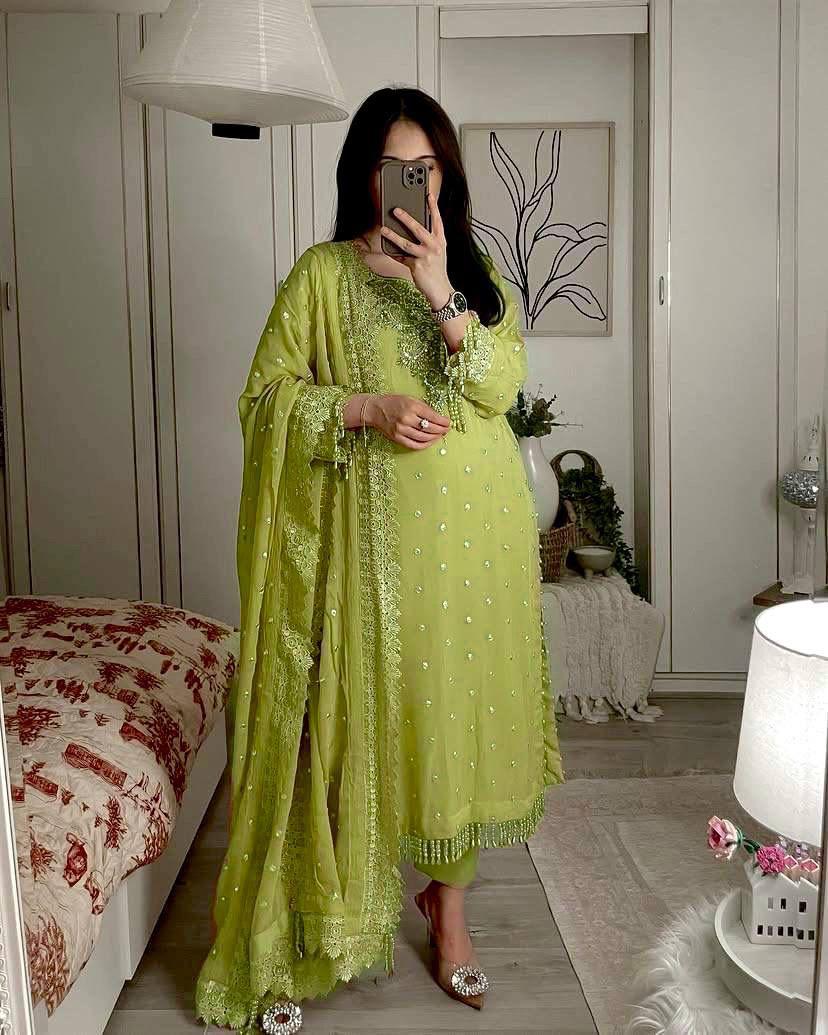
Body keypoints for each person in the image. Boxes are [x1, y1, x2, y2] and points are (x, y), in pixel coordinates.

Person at [195, 85, 565, 1034]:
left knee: (453, 722)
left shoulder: (472, 270)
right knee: (357, 724)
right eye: (396, 167)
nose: (414, 184)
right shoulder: (322, 276)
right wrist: (363, 408)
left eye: (427, 168)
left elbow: (500, 386)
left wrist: (442, 287)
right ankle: (321, 915)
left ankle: (450, 908)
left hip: (478, 551)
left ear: (447, 176)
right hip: (367, 561)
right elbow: (263, 399)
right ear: (365, 174)